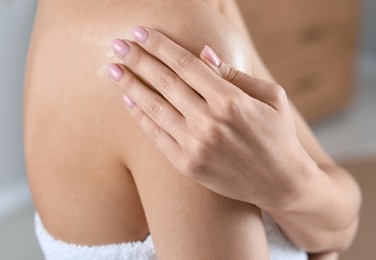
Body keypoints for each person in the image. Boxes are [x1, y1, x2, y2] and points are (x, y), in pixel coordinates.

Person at [23, 0, 360, 259]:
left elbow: (345, 220)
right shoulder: (177, 37)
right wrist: (306, 211)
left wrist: (288, 184)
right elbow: (334, 225)